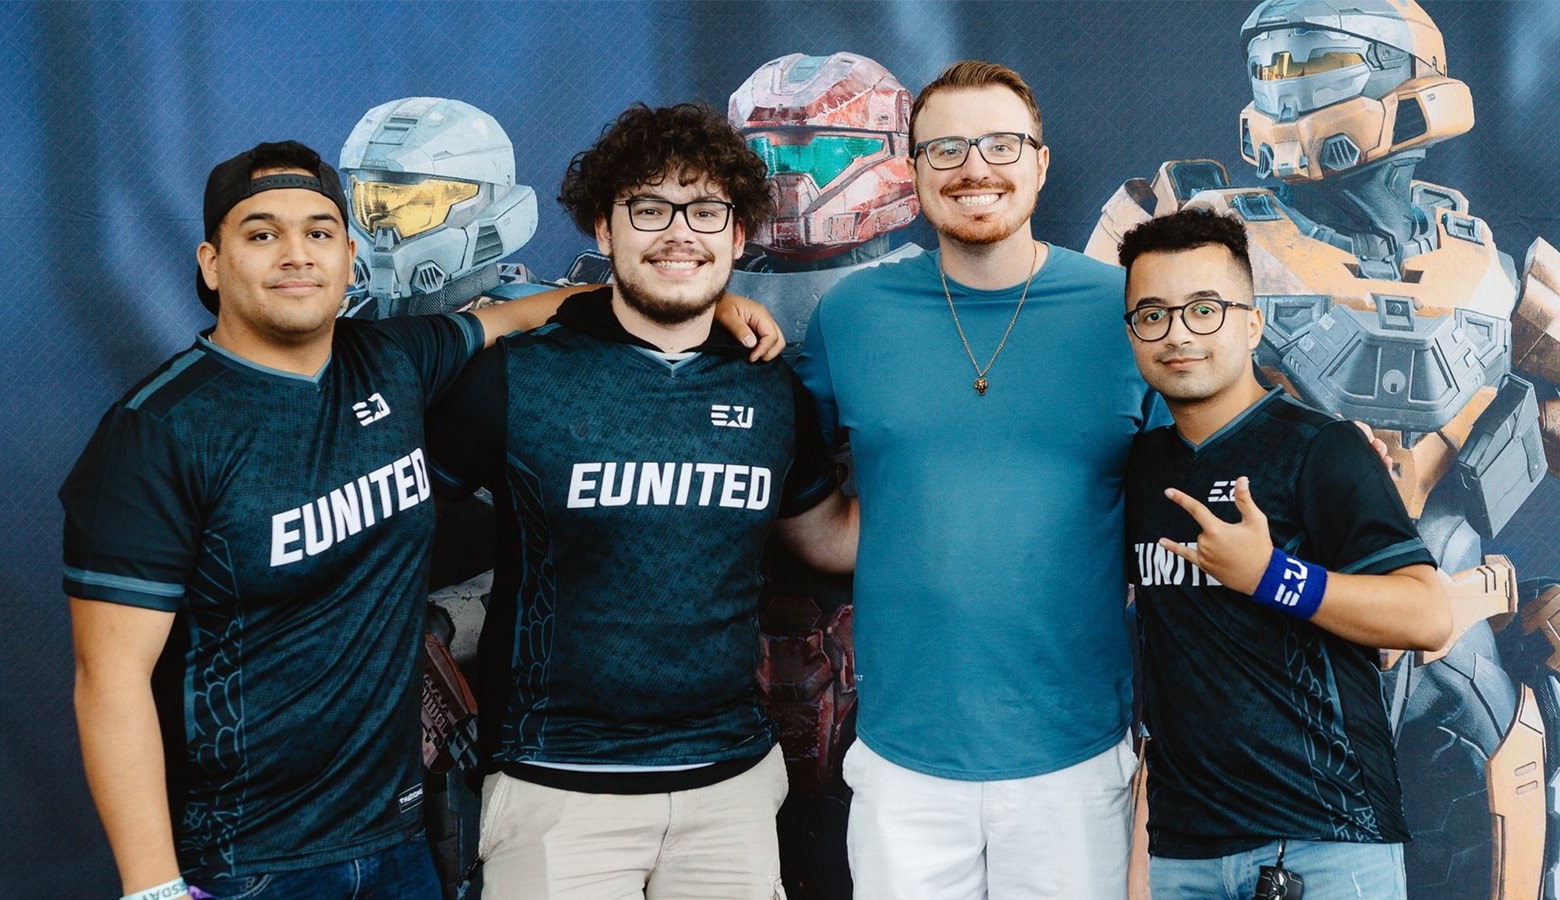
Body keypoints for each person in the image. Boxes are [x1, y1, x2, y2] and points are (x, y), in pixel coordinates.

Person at [61, 139, 782, 900]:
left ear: (347, 256)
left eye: (319, 232)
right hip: (251, 859)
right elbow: (108, 680)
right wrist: (154, 889)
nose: (296, 255)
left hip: (398, 839)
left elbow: (531, 311)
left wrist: (702, 297)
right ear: (212, 263)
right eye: (262, 233)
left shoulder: (393, 360)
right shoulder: (160, 430)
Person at [426, 101, 858, 900]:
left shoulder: (769, 388)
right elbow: (402, 530)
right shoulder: (515, 379)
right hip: (557, 790)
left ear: (737, 236)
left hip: (731, 788)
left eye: (705, 211)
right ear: (603, 228)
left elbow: (831, 537)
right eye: (649, 208)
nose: (677, 232)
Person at [795, 60, 1164, 899]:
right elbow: (789, 480)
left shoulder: (1127, 309)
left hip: (1076, 758)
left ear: (1040, 162)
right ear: (913, 171)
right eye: (946, 148)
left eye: (1001, 144)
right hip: (903, 763)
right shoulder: (851, 316)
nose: (974, 168)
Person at [1117, 207, 1452, 898]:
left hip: (1321, 845)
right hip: (1183, 854)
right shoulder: (1139, 469)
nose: (1178, 333)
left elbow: (1427, 617)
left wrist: (1272, 576)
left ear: (1251, 322)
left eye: (1204, 309)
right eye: (1152, 315)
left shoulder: (1320, 448)